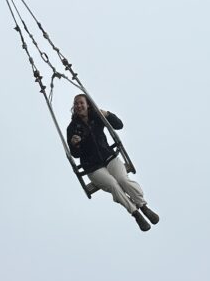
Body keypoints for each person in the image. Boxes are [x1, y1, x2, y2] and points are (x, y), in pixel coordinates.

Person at [67, 94, 159, 232]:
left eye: (81, 103)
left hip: (108, 157)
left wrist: (107, 114)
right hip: (92, 166)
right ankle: (135, 213)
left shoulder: (97, 117)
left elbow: (119, 125)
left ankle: (143, 206)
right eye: (76, 104)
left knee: (123, 180)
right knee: (113, 184)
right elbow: (75, 154)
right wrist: (74, 144)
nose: (79, 106)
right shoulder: (72, 128)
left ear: (88, 105)